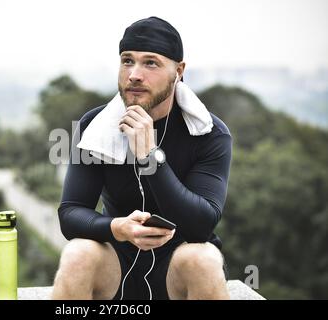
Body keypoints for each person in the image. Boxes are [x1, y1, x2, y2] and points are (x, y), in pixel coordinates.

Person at [52, 16, 232, 300]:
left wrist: (151, 157)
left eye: (151, 63)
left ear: (179, 70)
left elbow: (201, 224)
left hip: (177, 266)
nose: (134, 74)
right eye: (127, 61)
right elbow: (70, 213)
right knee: (77, 253)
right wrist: (117, 228)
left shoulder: (210, 133)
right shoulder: (95, 126)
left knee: (205, 259)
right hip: (116, 260)